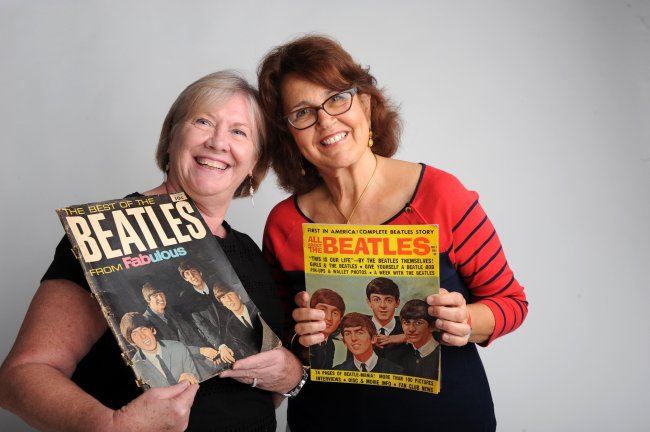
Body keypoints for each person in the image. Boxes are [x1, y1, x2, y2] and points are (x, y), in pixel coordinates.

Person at [0, 70, 305, 432]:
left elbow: (258, 387)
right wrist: (113, 426)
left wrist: (290, 375)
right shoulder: (109, 231)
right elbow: (20, 377)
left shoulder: (250, 252)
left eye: (239, 132)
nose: (218, 142)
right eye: (203, 121)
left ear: (255, 161)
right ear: (172, 136)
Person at [258, 35, 529, 431]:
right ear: (289, 134)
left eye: (337, 98)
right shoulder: (283, 223)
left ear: (365, 104)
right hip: (326, 419)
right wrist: (301, 333)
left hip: (444, 418)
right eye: (303, 112)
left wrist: (466, 320)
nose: (326, 121)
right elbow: (283, 342)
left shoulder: (440, 194)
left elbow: (512, 303)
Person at [141, 282, 219, 380]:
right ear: (148, 300)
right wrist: (201, 351)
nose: (161, 298)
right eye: (155, 296)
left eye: (162, 294)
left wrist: (206, 352)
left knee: (219, 364)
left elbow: (191, 335)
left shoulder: (171, 312)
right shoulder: (145, 323)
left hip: (194, 357)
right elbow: (168, 351)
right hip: (177, 369)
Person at [176, 261, 235, 365]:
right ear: (185, 279)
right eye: (187, 274)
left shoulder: (217, 283)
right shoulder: (187, 299)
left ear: (200, 272)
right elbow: (202, 325)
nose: (192, 276)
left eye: (193, 271)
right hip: (218, 341)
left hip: (236, 330)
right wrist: (220, 346)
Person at [120, 312, 200, 387]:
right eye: (135, 334)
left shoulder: (178, 347)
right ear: (132, 343)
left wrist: (190, 378)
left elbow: (196, 381)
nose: (143, 336)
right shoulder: (135, 367)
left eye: (143, 329)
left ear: (153, 330)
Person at [333, 313, 402, 374]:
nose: (353, 338)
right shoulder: (337, 372)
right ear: (344, 342)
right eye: (348, 334)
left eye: (359, 333)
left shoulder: (396, 372)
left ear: (373, 338)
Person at [213, 285, 262, 358]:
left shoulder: (256, 306)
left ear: (239, 296)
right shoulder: (230, 327)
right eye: (223, 297)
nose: (229, 300)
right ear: (223, 304)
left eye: (230, 294)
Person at [364, 277, 406, 361]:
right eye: (377, 300)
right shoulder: (359, 322)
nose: (382, 305)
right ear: (369, 302)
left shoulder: (407, 324)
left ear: (397, 303)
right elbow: (333, 330)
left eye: (388, 300)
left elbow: (433, 331)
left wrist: (406, 336)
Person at [398, 299, 441, 380]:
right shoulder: (405, 354)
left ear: (432, 326)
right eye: (406, 322)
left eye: (418, 323)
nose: (411, 329)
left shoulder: (439, 356)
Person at [308, 288, 345, 369]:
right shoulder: (305, 340)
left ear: (340, 320)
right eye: (323, 310)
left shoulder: (330, 344)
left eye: (335, 313)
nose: (329, 318)